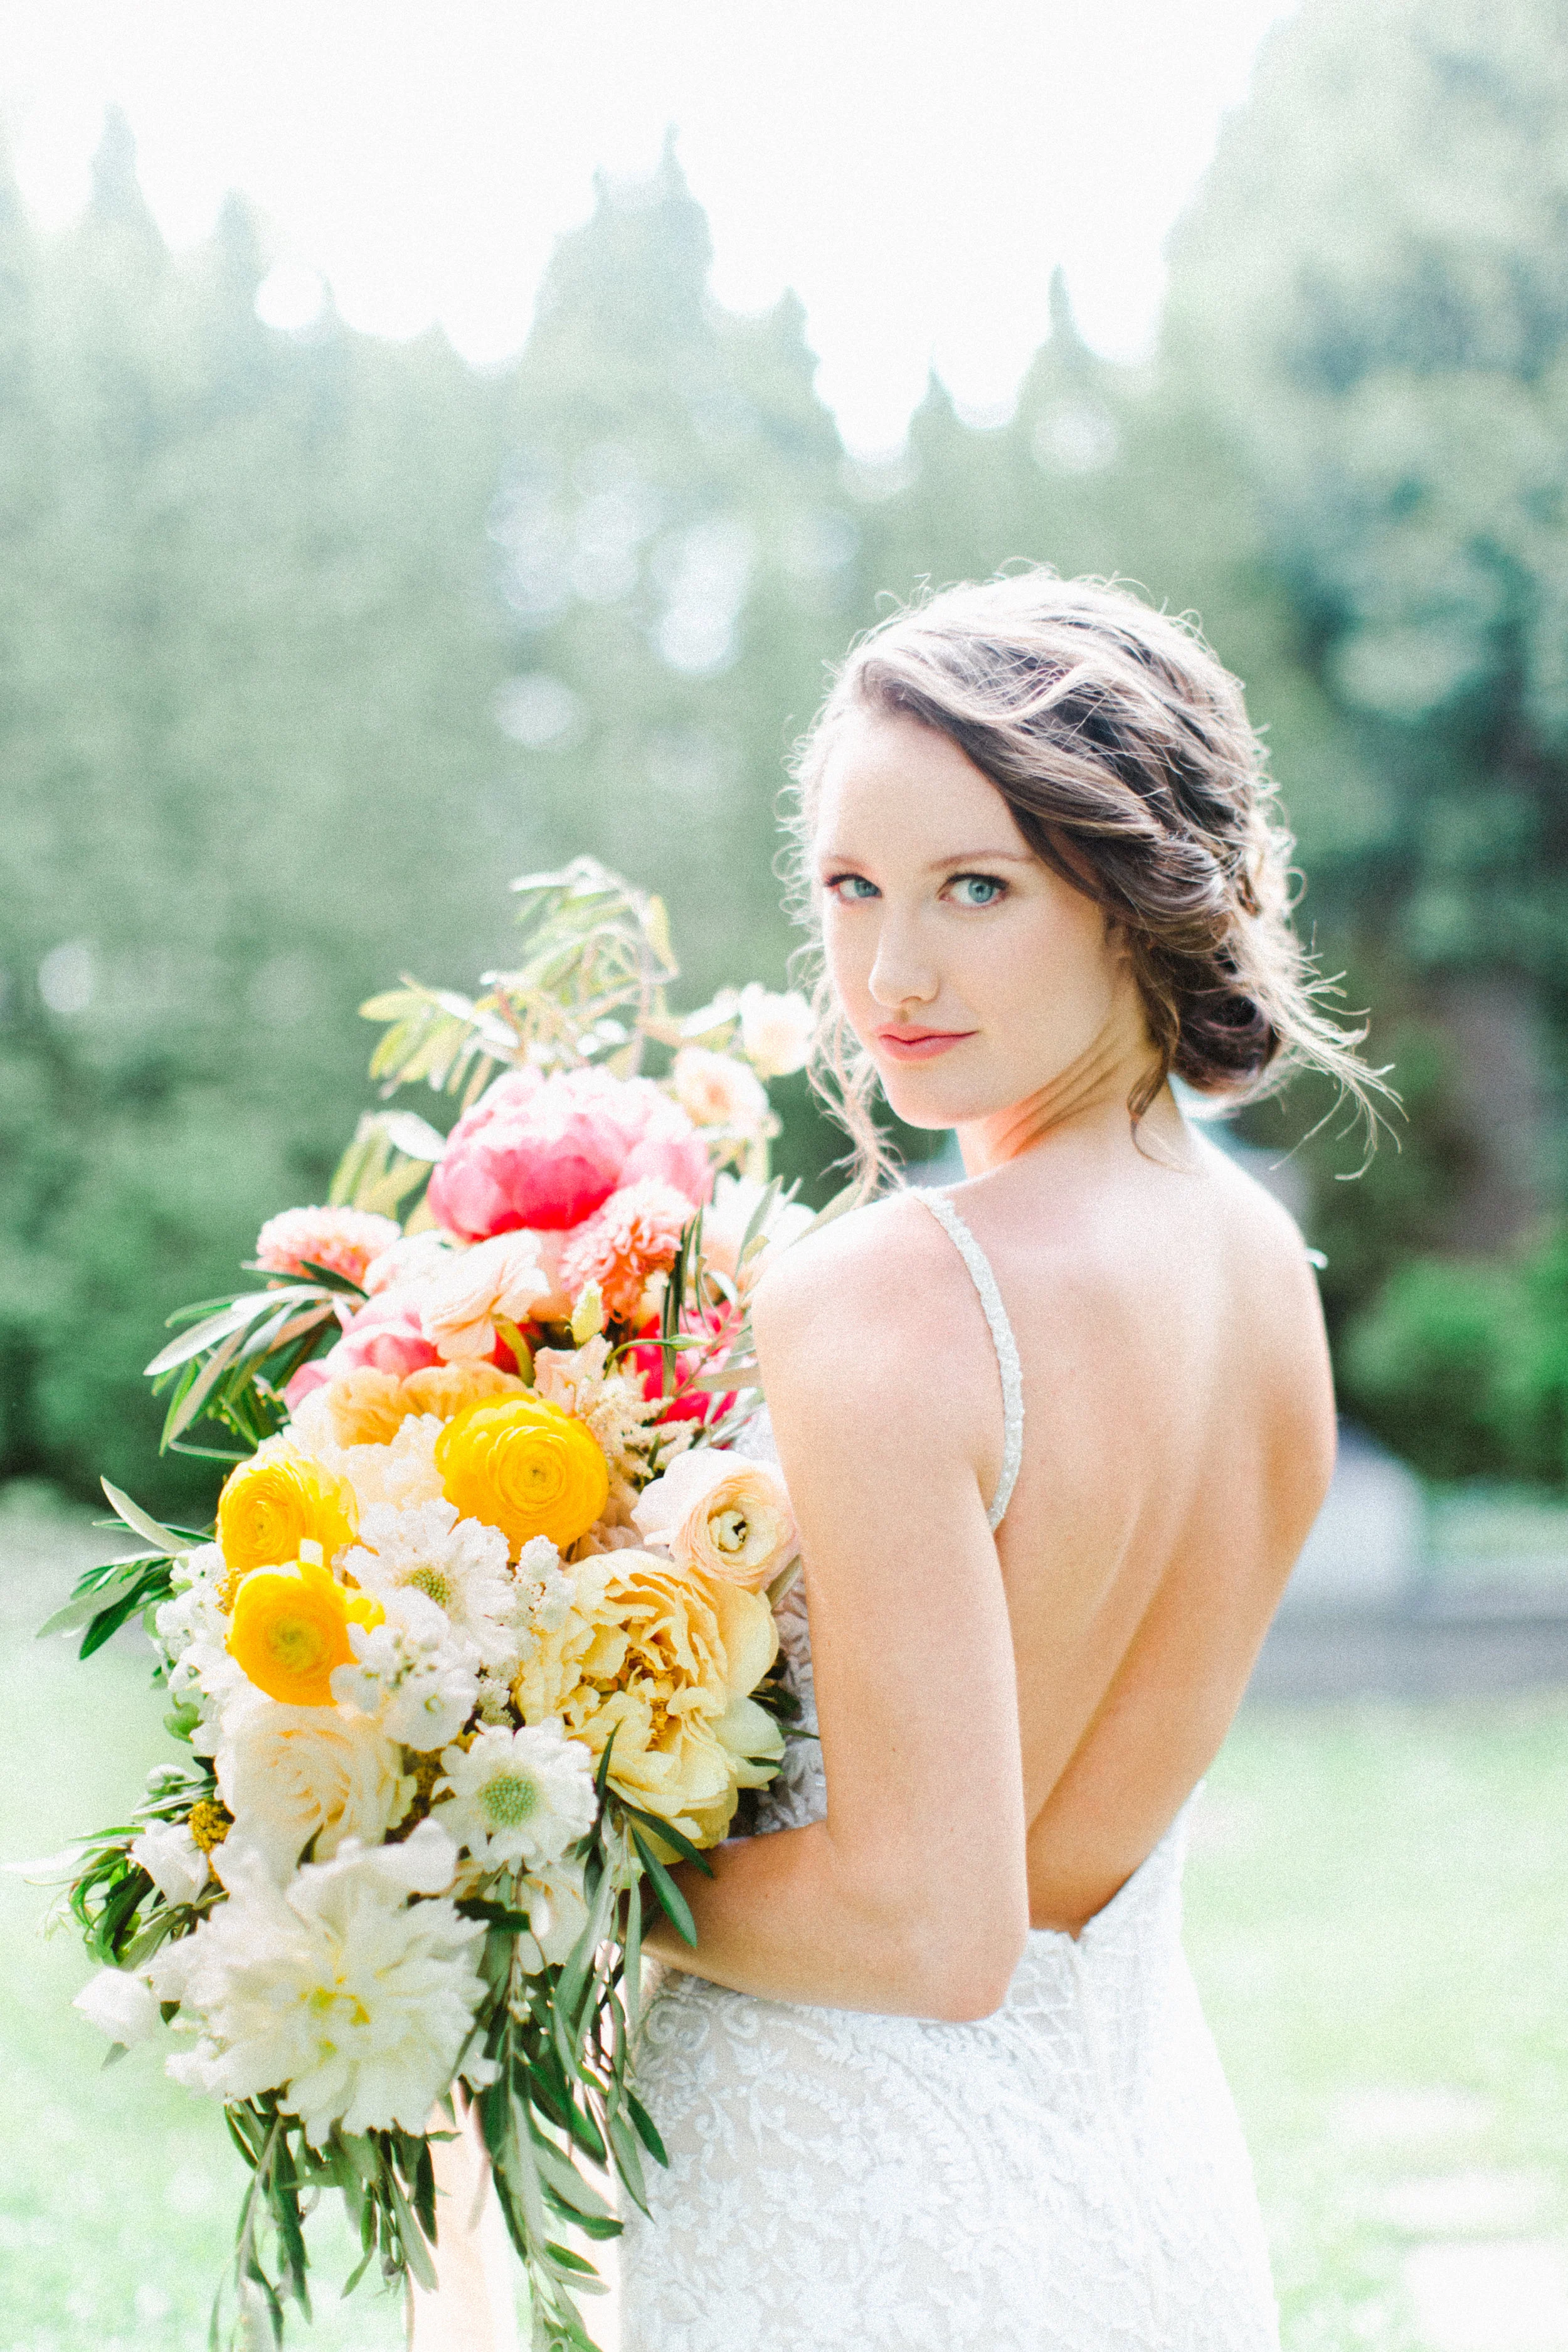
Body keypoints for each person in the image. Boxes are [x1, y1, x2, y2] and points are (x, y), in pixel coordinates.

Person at [424, 570, 1380, 2351]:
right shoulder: (1262, 1279)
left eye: (974, 889)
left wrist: (489, 1851)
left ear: (1134, 895)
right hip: (1150, 2214)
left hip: (851, 2234)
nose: (889, 971)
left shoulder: (888, 1293)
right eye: (851, 887)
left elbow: (935, 1923)